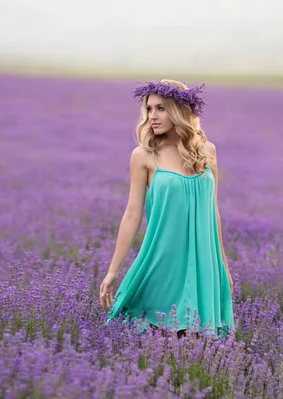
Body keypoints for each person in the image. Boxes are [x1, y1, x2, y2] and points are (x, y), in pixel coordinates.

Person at [99, 79, 235, 340]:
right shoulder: (143, 156)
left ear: (178, 110)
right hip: (163, 260)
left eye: (160, 108)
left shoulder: (208, 152)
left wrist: (222, 264)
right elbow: (132, 214)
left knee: (198, 343)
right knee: (157, 335)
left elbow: (213, 211)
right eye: (149, 109)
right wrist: (113, 270)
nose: (152, 116)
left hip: (203, 260)